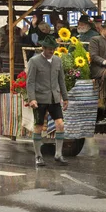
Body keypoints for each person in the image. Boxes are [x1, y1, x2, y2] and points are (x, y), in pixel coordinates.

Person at [26, 35, 69, 166]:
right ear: (43, 48)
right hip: (40, 99)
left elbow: (61, 80)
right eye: (49, 49)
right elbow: (30, 82)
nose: (52, 51)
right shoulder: (34, 61)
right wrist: (32, 98)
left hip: (54, 98)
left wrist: (65, 97)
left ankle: (58, 154)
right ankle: (38, 156)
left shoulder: (57, 61)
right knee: (39, 127)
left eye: (53, 49)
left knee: (60, 124)